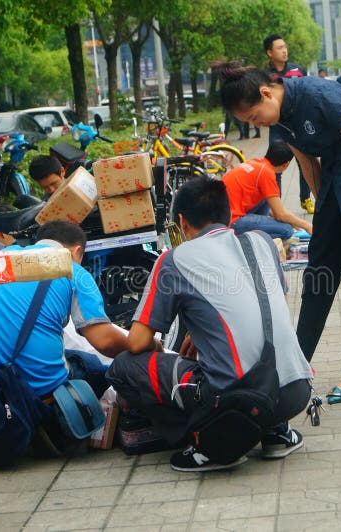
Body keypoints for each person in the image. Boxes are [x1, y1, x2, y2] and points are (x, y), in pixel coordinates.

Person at [218, 61, 341, 406]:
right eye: (249, 123)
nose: (257, 124)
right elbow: (308, 165)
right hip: (335, 190)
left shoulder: (321, 96)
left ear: (265, 93)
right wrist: (325, 215)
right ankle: (294, 367)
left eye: (255, 117)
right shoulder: (281, 120)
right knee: (318, 280)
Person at [106, 177, 312, 472]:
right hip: (296, 391)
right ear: (228, 212)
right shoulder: (261, 242)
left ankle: (211, 441)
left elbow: (137, 343)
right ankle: (275, 432)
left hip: (236, 402)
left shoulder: (175, 260)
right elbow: (257, 305)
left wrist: (157, 346)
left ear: (182, 221)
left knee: (124, 366)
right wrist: (200, 332)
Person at [0, 221, 137, 452]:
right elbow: (105, 341)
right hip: (31, 387)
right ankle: (54, 423)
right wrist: (143, 344)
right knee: (92, 365)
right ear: (76, 251)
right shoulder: (72, 270)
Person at [264, 33, 314, 215]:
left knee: (306, 163)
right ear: (269, 52)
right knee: (275, 166)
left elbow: (307, 93)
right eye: (279, 48)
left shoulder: (298, 70)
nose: (284, 51)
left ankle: (306, 199)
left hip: (299, 125)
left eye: (285, 47)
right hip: (278, 127)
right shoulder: (265, 76)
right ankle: (276, 205)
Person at [224, 141, 313, 240]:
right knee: (286, 230)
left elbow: (276, 211)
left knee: (266, 199)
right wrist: (307, 226)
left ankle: (255, 229)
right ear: (286, 164)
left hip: (222, 216)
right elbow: (280, 214)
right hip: (232, 222)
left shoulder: (255, 162)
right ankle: (246, 241)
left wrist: (292, 221)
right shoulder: (266, 173)